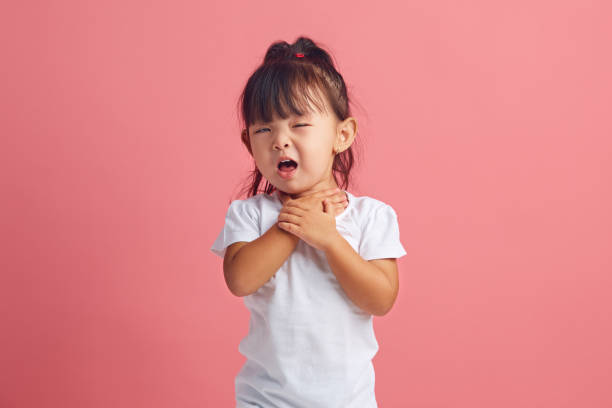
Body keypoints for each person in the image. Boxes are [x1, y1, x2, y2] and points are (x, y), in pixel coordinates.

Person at [210, 36, 407, 408]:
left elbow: (381, 299)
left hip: (347, 401)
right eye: (264, 130)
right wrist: (292, 224)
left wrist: (330, 240)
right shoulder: (250, 214)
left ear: (342, 135)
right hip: (265, 399)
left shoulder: (372, 216)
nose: (280, 141)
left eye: (299, 124)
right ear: (249, 143)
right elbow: (239, 280)